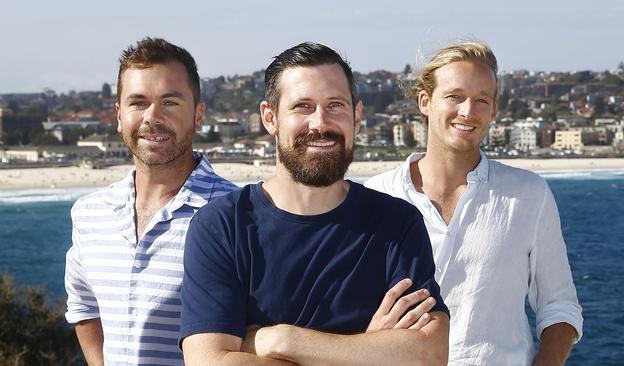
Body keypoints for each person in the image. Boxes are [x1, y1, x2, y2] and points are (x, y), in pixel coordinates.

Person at [180, 42, 450, 366]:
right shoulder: (222, 227)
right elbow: (209, 362)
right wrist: (369, 350)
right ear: (270, 118)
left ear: (357, 115)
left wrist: (279, 339)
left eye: (335, 105)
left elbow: (428, 354)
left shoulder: (396, 224)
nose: (320, 123)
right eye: (303, 106)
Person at [365, 41, 583, 365]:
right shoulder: (376, 196)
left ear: (493, 111)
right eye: (454, 96)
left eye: (481, 100)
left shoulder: (528, 195)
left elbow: (560, 307)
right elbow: (350, 309)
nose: (468, 111)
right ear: (425, 101)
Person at [64, 37, 237, 365]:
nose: (152, 117)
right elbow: (83, 307)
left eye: (170, 102)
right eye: (138, 102)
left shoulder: (239, 213)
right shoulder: (89, 214)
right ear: (118, 114)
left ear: (198, 115)